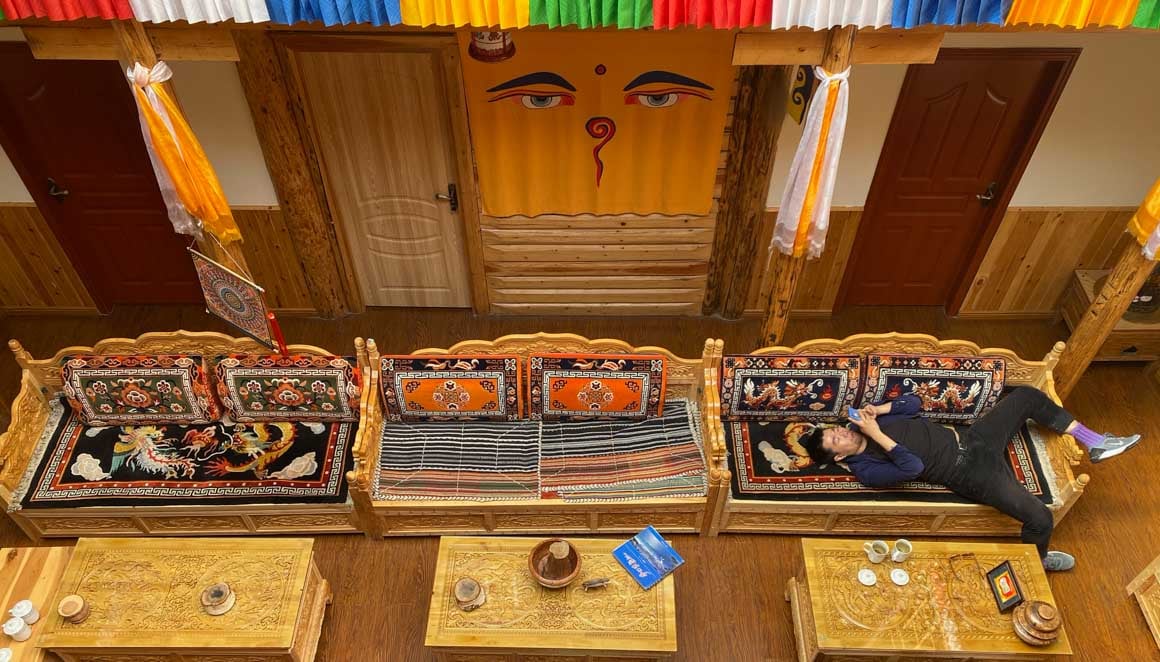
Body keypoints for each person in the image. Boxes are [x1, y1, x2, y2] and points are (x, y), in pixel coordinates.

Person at [801, 386, 1142, 572]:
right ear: (840, 456)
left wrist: (881, 411)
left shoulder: (861, 422)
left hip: (974, 438)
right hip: (969, 472)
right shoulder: (866, 469)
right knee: (1040, 517)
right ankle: (1038, 561)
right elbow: (912, 468)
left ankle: (1096, 442)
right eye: (835, 441)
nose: (841, 435)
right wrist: (877, 434)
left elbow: (914, 402)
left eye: (835, 431)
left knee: (1024, 396)